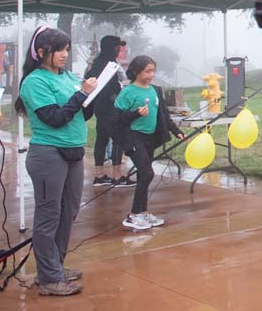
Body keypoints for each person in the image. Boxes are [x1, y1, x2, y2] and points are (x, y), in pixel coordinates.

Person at [16, 26, 98, 296]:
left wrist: (90, 97)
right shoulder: (35, 82)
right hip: (49, 154)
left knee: (68, 212)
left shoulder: (67, 76)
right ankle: (49, 278)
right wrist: (80, 95)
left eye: (66, 49)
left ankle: (55, 267)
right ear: (41, 52)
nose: (64, 54)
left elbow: (79, 115)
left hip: (73, 151)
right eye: (59, 50)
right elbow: (55, 118)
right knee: (48, 215)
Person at [114, 55, 184, 231]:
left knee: (142, 175)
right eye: (148, 71)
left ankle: (143, 212)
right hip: (134, 137)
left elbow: (164, 115)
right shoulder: (128, 92)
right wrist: (136, 114)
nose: (151, 74)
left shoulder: (155, 90)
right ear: (136, 72)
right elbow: (117, 119)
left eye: (153, 71)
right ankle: (134, 215)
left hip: (150, 138)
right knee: (147, 173)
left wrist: (176, 131)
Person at [86, 35, 133, 188]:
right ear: (111, 48)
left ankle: (99, 175)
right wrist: (119, 102)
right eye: (117, 47)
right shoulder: (107, 65)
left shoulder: (98, 63)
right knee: (118, 139)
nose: (119, 50)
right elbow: (107, 89)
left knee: (102, 139)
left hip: (99, 108)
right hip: (110, 109)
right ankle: (117, 176)